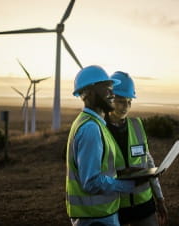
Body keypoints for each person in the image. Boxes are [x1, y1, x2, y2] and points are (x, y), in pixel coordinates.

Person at [66, 65, 148, 226]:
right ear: (88, 94)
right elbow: (91, 182)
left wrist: (123, 172)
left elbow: (98, 169)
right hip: (95, 218)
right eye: (106, 88)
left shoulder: (95, 123)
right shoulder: (91, 128)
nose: (112, 93)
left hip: (99, 215)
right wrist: (127, 185)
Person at [106, 71, 168, 226]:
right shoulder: (98, 129)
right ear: (110, 99)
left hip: (144, 206)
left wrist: (159, 198)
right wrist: (120, 174)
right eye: (121, 101)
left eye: (129, 101)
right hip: (115, 208)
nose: (125, 107)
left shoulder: (137, 125)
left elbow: (148, 162)